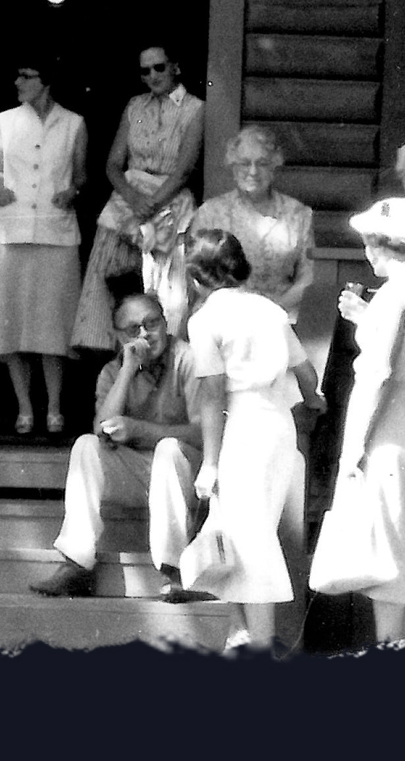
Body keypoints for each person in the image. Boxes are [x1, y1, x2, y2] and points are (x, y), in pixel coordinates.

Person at [185, 229, 326, 654]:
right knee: (249, 530)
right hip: (278, 426)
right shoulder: (270, 310)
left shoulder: (205, 320)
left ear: (195, 278)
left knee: (249, 539)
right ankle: (241, 633)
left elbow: (212, 393)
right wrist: (314, 402)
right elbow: (307, 377)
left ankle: (259, 645)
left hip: (243, 427)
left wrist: (210, 463)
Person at [321, 197, 405, 643]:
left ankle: (389, 649)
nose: (365, 251)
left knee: (387, 540)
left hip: (387, 419)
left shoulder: (396, 292)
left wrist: (355, 444)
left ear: (378, 244)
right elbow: (401, 349)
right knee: (401, 536)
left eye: (367, 242)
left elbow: (378, 372)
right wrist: (365, 319)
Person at [29, 292, 203, 601]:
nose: (145, 334)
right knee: (85, 444)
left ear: (165, 324)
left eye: (152, 323)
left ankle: (175, 569)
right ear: (117, 336)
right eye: (133, 329)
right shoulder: (112, 371)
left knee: (168, 450)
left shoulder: (187, 359)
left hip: (185, 472)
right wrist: (127, 371)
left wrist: (140, 430)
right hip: (138, 474)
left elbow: (203, 431)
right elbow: (102, 430)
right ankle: (77, 562)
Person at [0, 55, 87, 435]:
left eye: (26, 75)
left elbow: (81, 175)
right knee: (9, 322)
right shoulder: (5, 120)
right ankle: (24, 407)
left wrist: (73, 192)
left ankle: (54, 407)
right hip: (12, 230)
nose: (18, 82)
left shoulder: (74, 123)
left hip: (56, 234)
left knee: (51, 325)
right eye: (18, 74)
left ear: (47, 81)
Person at [71, 44, 204, 349]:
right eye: (145, 70)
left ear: (175, 67)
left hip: (168, 206)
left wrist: (152, 205)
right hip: (127, 207)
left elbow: (184, 169)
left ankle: (160, 363)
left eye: (159, 67)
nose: (152, 75)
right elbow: (113, 164)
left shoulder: (195, 108)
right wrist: (133, 199)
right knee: (114, 287)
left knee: (162, 292)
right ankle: (117, 366)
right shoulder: (134, 106)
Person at [191, 124, 315, 328]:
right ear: (233, 166)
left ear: (275, 165)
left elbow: (307, 277)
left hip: (277, 320)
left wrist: (269, 313)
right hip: (224, 320)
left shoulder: (298, 214)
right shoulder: (210, 213)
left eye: (262, 163)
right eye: (244, 163)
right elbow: (196, 275)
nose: (253, 171)